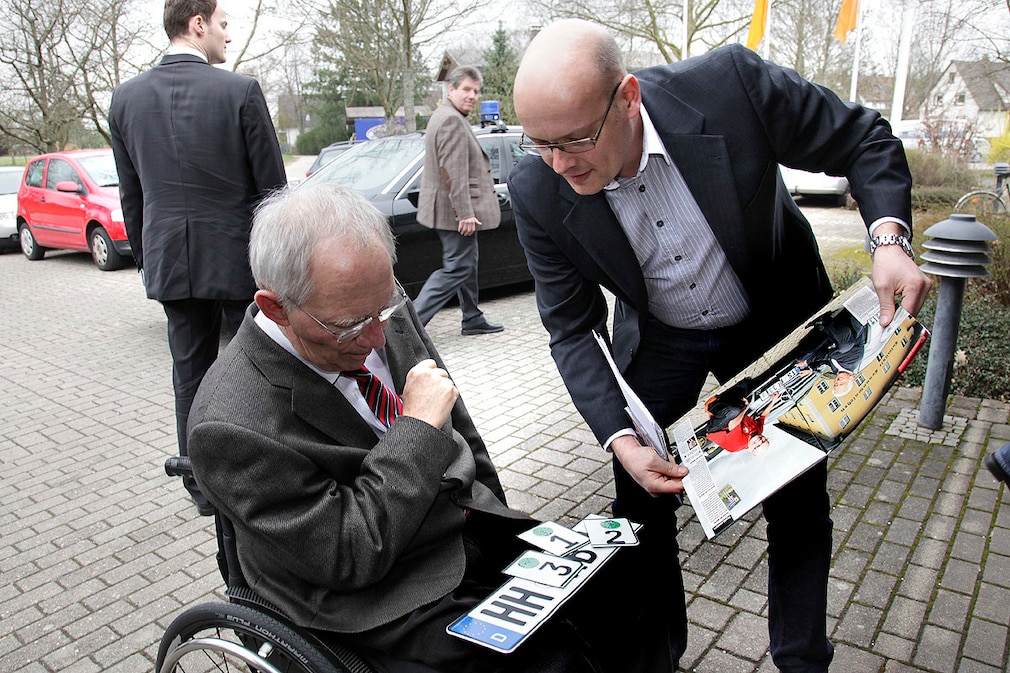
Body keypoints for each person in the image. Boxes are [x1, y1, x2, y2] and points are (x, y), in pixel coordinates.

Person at [508, 19, 932, 673]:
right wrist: (619, 437)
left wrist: (888, 242)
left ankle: (801, 658)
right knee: (638, 496)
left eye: (575, 141)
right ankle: (658, 657)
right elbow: (570, 327)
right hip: (662, 337)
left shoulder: (729, 88)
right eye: (541, 145)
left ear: (628, 98)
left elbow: (863, 138)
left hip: (768, 316)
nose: (562, 166)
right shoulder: (538, 190)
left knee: (795, 493)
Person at [186, 183, 670, 673]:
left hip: (461, 529)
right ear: (276, 308)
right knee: (550, 659)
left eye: (384, 309)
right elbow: (348, 555)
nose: (377, 336)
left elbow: (459, 424)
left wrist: (499, 512)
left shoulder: (371, 302)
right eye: (350, 326)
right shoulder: (229, 425)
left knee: (626, 581)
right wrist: (415, 426)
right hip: (379, 594)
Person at [109, 0, 287, 515]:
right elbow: (272, 190)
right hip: (237, 259)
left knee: (188, 372)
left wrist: (149, 259)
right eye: (224, 24)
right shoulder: (239, 90)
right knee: (259, 363)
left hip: (171, 260)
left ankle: (201, 484)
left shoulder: (125, 99)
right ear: (197, 24)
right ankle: (265, 470)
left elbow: (132, 193)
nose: (228, 37)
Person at [412, 66, 504, 336]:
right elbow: (454, 173)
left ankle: (472, 317)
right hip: (456, 213)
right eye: (466, 89)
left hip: (448, 210)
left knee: (467, 263)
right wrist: (464, 213)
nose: (472, 95)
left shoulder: (446, 115)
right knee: (456, 269)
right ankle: (410, 328)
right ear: (451, 90)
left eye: (476, 91)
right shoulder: (452, 120)